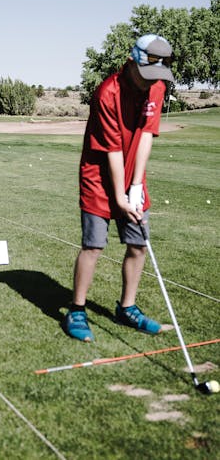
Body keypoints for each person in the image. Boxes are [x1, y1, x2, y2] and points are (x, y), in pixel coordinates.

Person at [65, 34, 174, 343]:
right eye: (147, 74)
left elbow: (146, 136)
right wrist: (118, 196)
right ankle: (76, 310)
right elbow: (112, 149)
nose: (150, 82)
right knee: (94, 245)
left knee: (138, 244)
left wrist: (136, 186)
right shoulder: (107, 93)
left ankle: (127, 308)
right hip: (98, 177)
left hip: (131, 174)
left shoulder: (156, 86)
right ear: (132, 62)